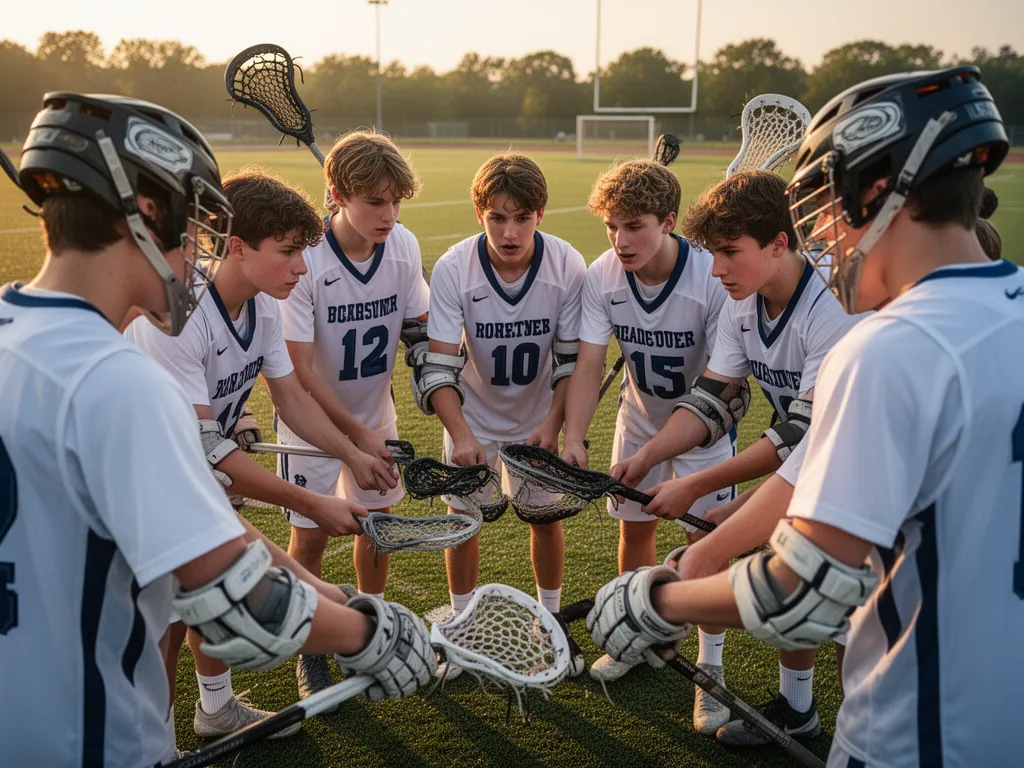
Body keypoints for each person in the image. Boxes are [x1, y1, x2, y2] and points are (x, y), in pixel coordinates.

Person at [584, 66, 1021, 767]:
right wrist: (705, 544)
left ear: (878, 196)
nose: (822, 234)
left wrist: (660, 604)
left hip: (925, 728)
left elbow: (800, 592)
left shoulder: (886, 350)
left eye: (825, 205)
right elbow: (805, 468)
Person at [0, 92, 434, 767]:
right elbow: (230, 581)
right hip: (82, 732)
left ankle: (212, 705)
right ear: (146, 215)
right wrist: (364, 633)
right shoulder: (117, 380)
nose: (197, 246)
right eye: (190, 222)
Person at [125, 166, 394, 737]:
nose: (302, 267)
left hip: (186, 475)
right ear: (237, 247)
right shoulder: (177, 317)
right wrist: (313, 502)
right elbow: (206, 450)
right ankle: (155, 743)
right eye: (289, 252)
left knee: (204, 595)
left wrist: (350, 453)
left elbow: (291, 399)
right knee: (161, 628)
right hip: (138, 487)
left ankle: (215, 709)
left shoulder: (264, 301)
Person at [612, 169, 864, 741]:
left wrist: (699, 486)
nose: (717, 269)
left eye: (729, 252)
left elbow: (801, 433)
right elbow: (712, 401)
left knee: (859, 621)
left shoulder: (831, 310)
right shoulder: (742, 302)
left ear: (780, 242)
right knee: (790, 572)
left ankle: (862, 737)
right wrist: (649, 455)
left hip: (857, 473)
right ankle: (798, 711)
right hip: (814, 466)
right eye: (712, 253)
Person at [559, 158, 736, 731]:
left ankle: (712, 671)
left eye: (634, 225)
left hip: (703, 429)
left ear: (669, 221)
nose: (620, 239)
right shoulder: (602, 273)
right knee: (634, 531)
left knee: (705, 547)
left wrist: (655, 453)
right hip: (639, 419)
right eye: (611, 226)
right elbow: (589, 364)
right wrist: (576, 435)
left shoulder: (711, 277)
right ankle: (633, 634)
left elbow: (718, 388)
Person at [416, 152, 586, 676]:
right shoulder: (453, 267)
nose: (510, 231)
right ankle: (462, 628)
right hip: (474, 415)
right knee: (462, 521)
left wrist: (554, 424)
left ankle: (550, 621)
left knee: (545, 519)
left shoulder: (566, 264)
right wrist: (460, 432)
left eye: (522, 217)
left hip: (538, 415)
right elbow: (438, 365)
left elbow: (570, 362)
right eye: (497, 217)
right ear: (479, 214)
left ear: (541, 214)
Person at [274, 131, 430, 701]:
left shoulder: (404, 243)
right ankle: (314, 648)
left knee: (377, 528)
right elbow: (300, 370)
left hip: (375, 411)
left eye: (395, 201)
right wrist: (356, 435)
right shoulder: (306, 259)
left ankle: (371, 633)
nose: (388, 214)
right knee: (310, 534)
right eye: (374, 201)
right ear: (337, 195)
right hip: (311, 420)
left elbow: (419, 322)